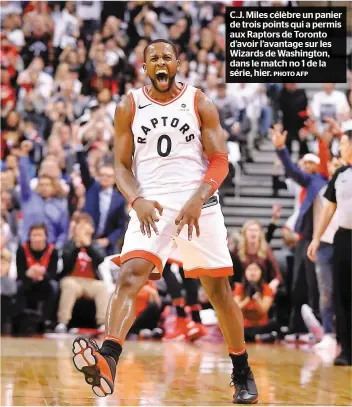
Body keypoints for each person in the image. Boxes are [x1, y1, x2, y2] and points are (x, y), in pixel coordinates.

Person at [72, 39, 258, 403]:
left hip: (198, 201)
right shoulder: (129, 106)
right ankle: (109, 357)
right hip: (151, 204)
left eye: (166, 56)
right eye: (153, 57)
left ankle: (242, 370)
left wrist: (198, 198)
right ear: (145, 66)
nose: (160, 61)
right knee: (130, 274)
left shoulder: (199, 101)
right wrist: (136, 198)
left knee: (219, 292)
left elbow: (220, 160)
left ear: (177, 63)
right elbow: (121, 167)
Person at [271, 124, 327, 335]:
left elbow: (324, 153)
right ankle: (298, 327)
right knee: (298, 285)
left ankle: (321, 327)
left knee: (316, 286)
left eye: (308, 163)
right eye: (303, 162)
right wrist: (281, 149)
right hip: (305, 238)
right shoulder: (308, 181)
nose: (303, 165)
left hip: (322, 240)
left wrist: (321, 137)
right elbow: (291, 171)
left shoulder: (323, 180)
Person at [307, 131, 352, 366]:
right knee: (342, 295)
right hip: (343, 238)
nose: (341, 148)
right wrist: (316, 238)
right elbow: (328, 209)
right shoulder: (341, 174)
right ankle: (345, 350)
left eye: (344, 143)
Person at [55, 213, 108, 333]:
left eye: (86, 223)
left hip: (91, 282)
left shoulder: (96, 245)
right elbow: (66, 261)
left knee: (101, 287)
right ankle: (62, 322)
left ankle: (103, 324)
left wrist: (87, 245)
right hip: (72, 279)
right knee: (70, 286)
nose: (83, 227)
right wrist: (77, 245)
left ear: (92, 229)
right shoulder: (69, 244)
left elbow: (100, 259)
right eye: (80, 224)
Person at [16, 223, 59, 331]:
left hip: (45, 282)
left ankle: (47, 321)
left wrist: (43, 274)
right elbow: (20, 274)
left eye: (40, 235)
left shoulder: (53, 251)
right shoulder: (22, 249)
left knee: (54, 286)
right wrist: (28, 274)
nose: (37, 238)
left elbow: (53, 274)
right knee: (18, 286)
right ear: (30, 237)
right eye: (34, 235)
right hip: (27, 282)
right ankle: (20, 320)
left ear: (45, 237)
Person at [233, 262, 277, 343]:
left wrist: (256, 298)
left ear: (261, 273)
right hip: (243, 326)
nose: (252, 273)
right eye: (250, 270)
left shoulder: (267, 289)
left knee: (274, 324)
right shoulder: (239, 288)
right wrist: (248, 299)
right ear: (245, 272)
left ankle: (252, 338)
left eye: (256, 270)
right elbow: (236, 309)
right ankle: (257, 338)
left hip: (261, 326)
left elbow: (263, 310)